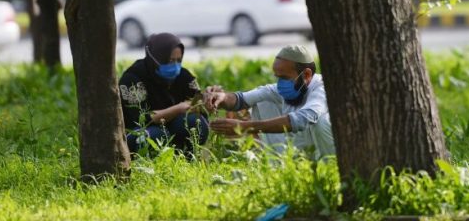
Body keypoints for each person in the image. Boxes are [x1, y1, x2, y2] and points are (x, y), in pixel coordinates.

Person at [204, 45, 334, 159]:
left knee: (320, 123)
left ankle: (331, 170)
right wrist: (221, 98)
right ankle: (281, 165)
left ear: (306, 75)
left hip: (330, 152)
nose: (280, 83)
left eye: (284, 78)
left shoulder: (322, 88)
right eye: (278, 78)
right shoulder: (285, 89)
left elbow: (304, 118)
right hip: (304, 153)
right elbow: (241, 99)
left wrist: (244, 127)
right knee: (263, 102)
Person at [118, 33, 208, 155]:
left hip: (170, 127)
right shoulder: (133, 79)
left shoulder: (183, 76)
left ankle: (185, 155)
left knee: (195, 122)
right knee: (154, 136)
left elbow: (198, 103)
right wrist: (177, 109)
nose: (175, 66)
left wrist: (208, 99)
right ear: (156, 58)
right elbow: (142, 120)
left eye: (178, 60)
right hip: (140, 131)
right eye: (170, 60)